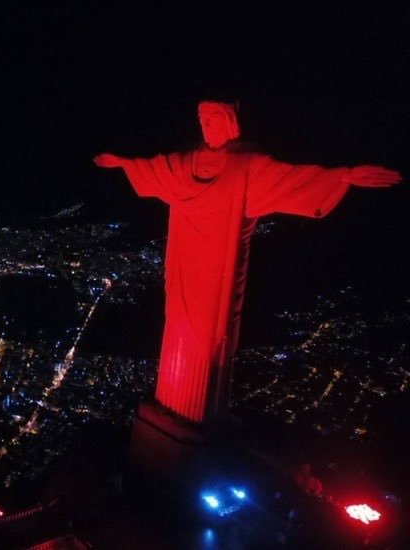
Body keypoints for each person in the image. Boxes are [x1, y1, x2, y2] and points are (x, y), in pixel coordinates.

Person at [94, 100, 401, 425]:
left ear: (229, 122)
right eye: (202, 120)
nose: (206, 126)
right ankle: (175, 410)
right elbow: (154, 168)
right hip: (184, 266)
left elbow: (293, 180)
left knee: (210, 338)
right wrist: (124, 163)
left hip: (218, 269)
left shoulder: (247, 166)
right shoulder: (187, 163)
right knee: (178, 329)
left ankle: (202, 418)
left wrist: (345, 176)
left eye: (212, 120)